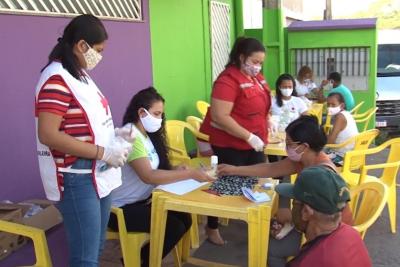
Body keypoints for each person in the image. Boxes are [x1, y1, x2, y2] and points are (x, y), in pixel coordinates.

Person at [35, 15, 132, 266]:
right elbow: (48, 134)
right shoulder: (56, 80)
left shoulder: (79, 75)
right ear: (81, 46)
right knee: (85, 257)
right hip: (76, 177)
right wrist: (102, 152)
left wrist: (117, 135)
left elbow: (88, 121)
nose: (100, 57)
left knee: (96, 247)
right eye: (98, 50)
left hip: (96, 173)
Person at [218, 115, 354, 267]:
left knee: (271, 248)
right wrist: (234, 170)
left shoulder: (320, 174)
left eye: (289, 144)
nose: (286, 148)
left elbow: (319, 222)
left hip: (330, 234)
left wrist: (291, 222)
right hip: (322, 225)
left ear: (304, 146)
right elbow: (271, 168)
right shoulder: (306, 159)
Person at [108, 87, 214, 267]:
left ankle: (137, 258)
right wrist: (188, 173)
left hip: (142, 201)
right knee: (174, 227)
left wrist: (175, 168)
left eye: (161, 115)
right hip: (119, 209)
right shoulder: (130, 136)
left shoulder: (146, 136)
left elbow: (153, 167)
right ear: (141, 112)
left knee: (184, 218)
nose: (160, 119)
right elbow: (148, 175)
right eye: (156, 114)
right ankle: (144, 262)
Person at [200, 37, 273, 245]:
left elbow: (261, 103)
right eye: (255, 61)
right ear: (242, 57)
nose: (258, 66)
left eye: (261, 62)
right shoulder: (227, 81)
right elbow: (220, 116)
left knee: (256, 180)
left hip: (255, 142)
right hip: (231, 145)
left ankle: (251, 218)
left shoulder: (256, 78)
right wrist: (248, 136)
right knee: (223, 185)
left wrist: (268, 120)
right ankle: (212, 227)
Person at [276, 166, 372, 267]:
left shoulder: (310, 262)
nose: (292, 209)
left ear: (306, 212)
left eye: (294, 202)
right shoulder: (351, 233)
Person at [325, 93, 359, 165]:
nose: (329, 107)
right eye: (328, 104)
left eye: (333, 105)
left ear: (342, 106)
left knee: (313, 157)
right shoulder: (347, 113)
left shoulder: (339, 117)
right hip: (350, 153)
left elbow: (330, 141)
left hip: (342, 157)